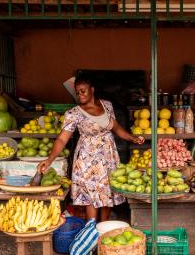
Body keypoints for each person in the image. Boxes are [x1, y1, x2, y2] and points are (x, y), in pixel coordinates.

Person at [37, 76, 145, 221]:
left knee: (107, 192)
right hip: (88, 159)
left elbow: (116, 128)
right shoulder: (73, 113)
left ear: (92, 90)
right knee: (91, 195)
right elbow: (62, 139)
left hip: (108, 156)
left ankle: (103, 227)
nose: (80, 95)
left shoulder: (107, 105)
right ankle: (91, 232)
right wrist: (49, 160)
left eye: (83, 91)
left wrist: (133, 138)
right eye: (77, 92)